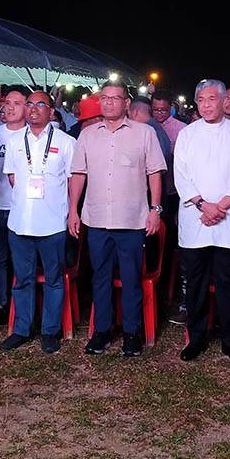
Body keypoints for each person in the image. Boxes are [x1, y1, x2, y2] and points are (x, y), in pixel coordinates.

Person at [68, 80, 165, 358]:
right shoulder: (87, 135)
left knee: (132, 278)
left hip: (132, 220)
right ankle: (102, 331)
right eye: (105, 98)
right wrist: (73, 209)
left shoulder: (144, 133)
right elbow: (78, 174)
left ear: (126, 103)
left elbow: (154, 172)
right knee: (99, 277)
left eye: (116, 98)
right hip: (96, 219)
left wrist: (155, 210)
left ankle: (132, 333)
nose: (109, 102)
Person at [175, 79, 230, 364]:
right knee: (195, 284)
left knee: (226, 284)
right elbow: (181, 175)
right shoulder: (187, 134)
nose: (206, 105)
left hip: (227, 221)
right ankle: (195, 339)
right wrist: (203, 205)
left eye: (211, 99)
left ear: (224, 101)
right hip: (195, 220)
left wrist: (219, 208)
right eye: (201, 100)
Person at [0, 91, 77, 353]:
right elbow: (12, 178)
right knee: (23, 279)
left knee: (54, 279)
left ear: (51, 111)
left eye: (40, 104)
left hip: (53, 222)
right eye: (29, 104)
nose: (33, 109)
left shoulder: (66, 142)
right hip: (20, 221)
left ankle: (50, 331)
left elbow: (71, 182)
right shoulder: (14, 141)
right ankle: (22, 329)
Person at [0, 88, 29, 324]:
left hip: (23, 207)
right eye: (7, 103)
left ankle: (22, 303)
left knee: (22, 259)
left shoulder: (34, 136)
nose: (10, 107)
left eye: (17, 103)